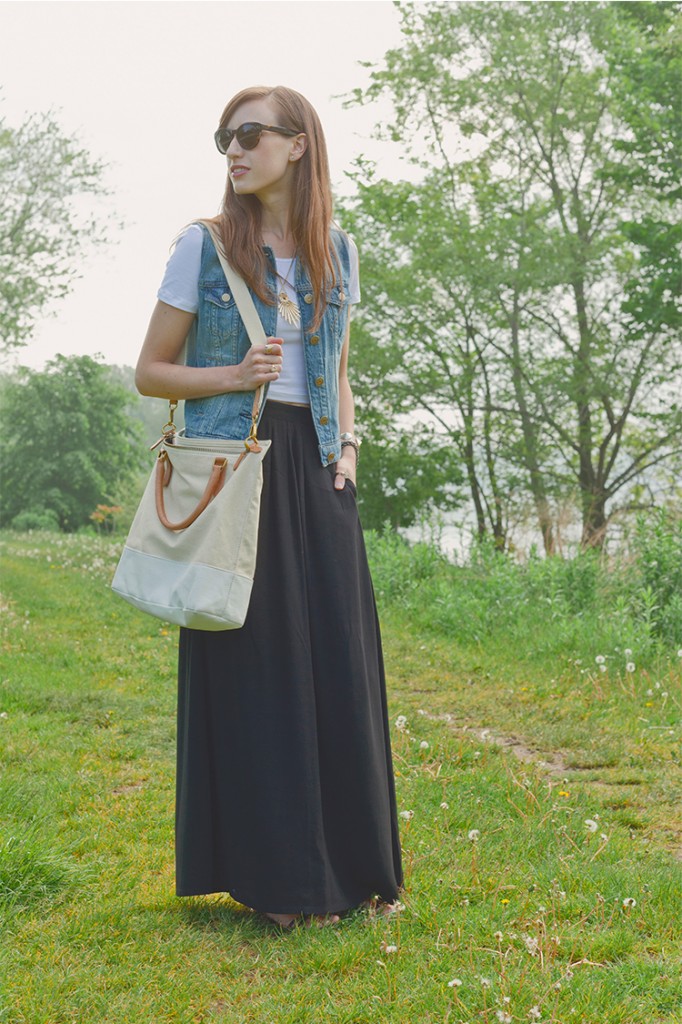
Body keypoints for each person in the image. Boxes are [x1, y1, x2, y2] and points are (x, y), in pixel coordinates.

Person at [135, 85, 403, 930]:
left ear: (297, 145)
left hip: (319, 470)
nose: (233, 151)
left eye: (249, 135)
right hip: (237, 468)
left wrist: (350, 449)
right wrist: (231, 375)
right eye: (225, 138)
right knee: (260, 669)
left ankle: (358, 872)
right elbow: (152, 371)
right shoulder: (205, 247)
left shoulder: (339, 254)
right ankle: (279, 883)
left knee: (339, 669)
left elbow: (340, 372)